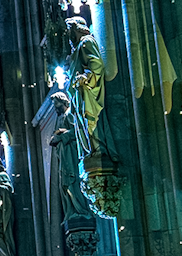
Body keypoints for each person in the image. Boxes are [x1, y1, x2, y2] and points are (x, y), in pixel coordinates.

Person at [49, 92, 93, 222]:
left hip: (71, 156)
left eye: (56, 103)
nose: (55, 107)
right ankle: (71, 211)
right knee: (65, 185)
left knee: (72, 182)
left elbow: (79, 131)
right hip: (64, 156)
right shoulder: (61, 118)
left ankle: (81, 210)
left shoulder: (69, 115)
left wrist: (61, 136)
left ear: (63, 102)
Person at [66, 17, 105, 156]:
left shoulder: (86, 41)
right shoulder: (77, 48)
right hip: (79, 93)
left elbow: (96, 64)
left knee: (89, 121)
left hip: (86, 91)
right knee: (82, 125)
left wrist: (86, 77)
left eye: (70, 30)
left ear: (76, 29)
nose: (68, 35)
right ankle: (90, 151)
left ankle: (97, 150)